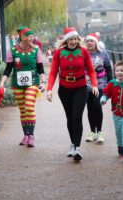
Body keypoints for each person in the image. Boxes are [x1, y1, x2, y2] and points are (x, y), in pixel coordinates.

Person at [46, 27, 99, 161]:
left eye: (76, 39)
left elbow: (91, 71)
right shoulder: (59, 53)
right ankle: (72, 144)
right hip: (64, 89)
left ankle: (77, 148)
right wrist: (49, 89)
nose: (74, 41)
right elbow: (53, 73)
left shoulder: (84, 52)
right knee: (70, 118)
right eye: (71, 39)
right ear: (66, 40)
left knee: (77, 117)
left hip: (80, 88)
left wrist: (95, 85)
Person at [0, 25, 46, 147]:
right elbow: (8, 69)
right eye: (29, 36)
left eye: (32, 36)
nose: (32, 38)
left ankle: (31, 136)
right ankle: (25, 135)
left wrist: (43, 82)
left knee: (29, 106)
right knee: (23, 110)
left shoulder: (36, 50)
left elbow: (40, 68)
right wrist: (2, 83)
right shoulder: (13, 51)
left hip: (33, 82)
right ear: (22, 37)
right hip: (17, 84)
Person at [84, 33, 113, 144]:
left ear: (96, 42)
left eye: (91, 41)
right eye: (87, 41)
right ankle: (92, 132)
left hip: (101, 84)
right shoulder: (83, 53)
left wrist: (111, 84)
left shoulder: (103, 53)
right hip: (86, 85)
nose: (89, 43)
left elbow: (109, 69)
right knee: (90, 108)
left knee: (97, 106)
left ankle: (100, 132)